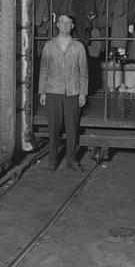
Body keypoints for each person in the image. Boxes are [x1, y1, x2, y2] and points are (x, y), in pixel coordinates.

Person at [38, 14, 88, 172]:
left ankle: (72, 160)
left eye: (68, 23)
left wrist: (83, 93)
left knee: (72, 128)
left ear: (72, 26)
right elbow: (44, 70)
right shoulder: (49, 46)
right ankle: (52, 161)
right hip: (53, 91)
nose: (65, 26)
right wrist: (42, 92)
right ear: (57, 25)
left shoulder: (79, 47)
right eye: (62, 23)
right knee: (53, 128)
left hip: (73, 92)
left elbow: (84, 72)